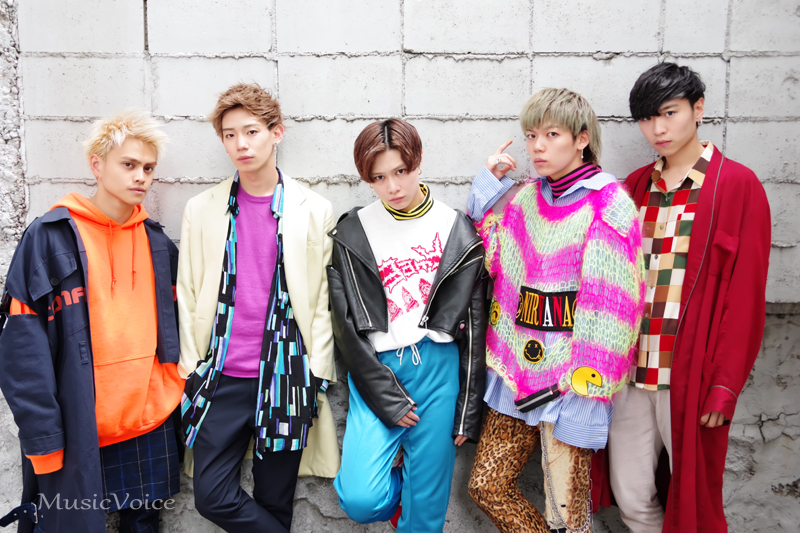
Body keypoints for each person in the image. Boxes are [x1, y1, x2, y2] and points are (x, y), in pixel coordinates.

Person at [466, 88, 645, 533]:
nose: (537, 147)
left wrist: (586, 396)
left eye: (551, 134)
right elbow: (493, 260)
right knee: (487, 486)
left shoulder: (608, 205)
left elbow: (611, 313)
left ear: (581, 139)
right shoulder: (528, 198)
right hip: (516, 376)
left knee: (567, 517)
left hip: (570, 387)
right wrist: (486, 190)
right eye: (531, 136)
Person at [605, 62, 771, 532]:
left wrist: (724, 384)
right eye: (646, 118)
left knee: (693, 503)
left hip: (690, 375)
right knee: (631, 497)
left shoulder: (736, 186)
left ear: (698, 109)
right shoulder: (635, 186)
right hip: (631, 374)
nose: (657, 129)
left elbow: (746, 298)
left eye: (669, 113)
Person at [0, 111, 182, 532]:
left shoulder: (157, 243)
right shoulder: (49, 237)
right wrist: (44, 438)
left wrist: (171, 386)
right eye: (129, 164)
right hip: (78, 426)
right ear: (97, 165)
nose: (140, 177)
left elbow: (177, 329)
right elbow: (22, 349)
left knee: (144, 526)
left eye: (148, 168)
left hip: (148, 421)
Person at [178, 83, 339, 532]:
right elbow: (188, 291)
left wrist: (317, 372)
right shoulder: (202, 208)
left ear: (276, 133)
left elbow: (322, 300)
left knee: (275, 501)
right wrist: (191, 368)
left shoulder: (313, 209)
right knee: (212, 496)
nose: (241, 144)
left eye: (251, 132)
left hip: (288, 375)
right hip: (221, 375)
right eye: (229, 135)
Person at [329, 118, 487, 532]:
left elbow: (475, 322)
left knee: (425, 515)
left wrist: (468, 409)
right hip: (378, 369)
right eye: (379, 178)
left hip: (439, 369)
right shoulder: (353, 230)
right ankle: (404, 484)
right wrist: (387, 397)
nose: (393, 187)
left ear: (417, 163)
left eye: (401, 171)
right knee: (361, 499)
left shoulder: (456, 228)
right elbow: (346, 327)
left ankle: (418, 492)